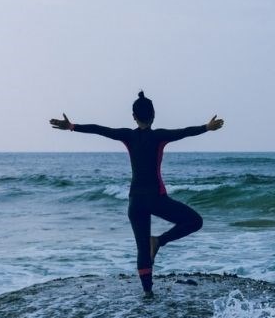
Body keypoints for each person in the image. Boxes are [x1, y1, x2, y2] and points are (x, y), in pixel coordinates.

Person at [50, 91, 224, 295]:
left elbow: (99, 130)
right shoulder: (159, 136)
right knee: (195, 221)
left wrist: (72, 127)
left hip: (135, 201)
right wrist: (206, 127)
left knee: (142, 249)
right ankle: (159, 240)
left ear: (133, 116)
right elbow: (184, 132)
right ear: (154, 115)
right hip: (156, 198)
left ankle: (148, 292)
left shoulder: (128, 136)